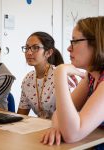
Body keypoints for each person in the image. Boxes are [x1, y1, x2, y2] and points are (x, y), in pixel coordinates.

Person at [41, 16, 104, 149]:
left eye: (75, 41)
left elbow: (73, 134)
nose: (69, 48)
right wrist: (57, 128)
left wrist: (60, 73)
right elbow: (58, 113)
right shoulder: (91, 77)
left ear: (97, 43)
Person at [17, 31, 77, 119]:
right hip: (40, 127)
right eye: (27, 48)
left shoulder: (60, 75)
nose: (29, 52)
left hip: (61, 127)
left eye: (35, 48)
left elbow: (68, 116)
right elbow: (21, 116)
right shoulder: (28, 79)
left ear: (48, 53)